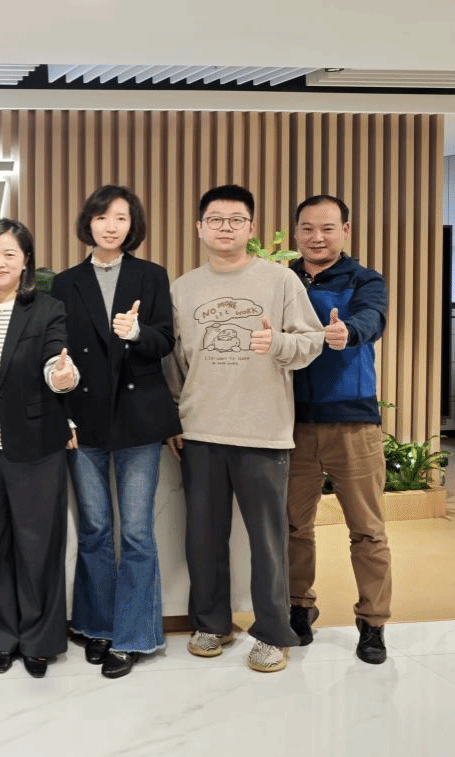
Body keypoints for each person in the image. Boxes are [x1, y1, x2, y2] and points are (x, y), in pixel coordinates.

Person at [166, 184, 323, 673]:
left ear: (251, 228)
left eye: (236, 219)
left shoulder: (280, 281)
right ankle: (211, 623)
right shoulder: (183, 288)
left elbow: (311, 341)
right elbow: (173, 362)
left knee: (268, 540)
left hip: (263, 430)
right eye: (215, 219)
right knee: (203, 538)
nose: (225, 227)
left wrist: (277, 344)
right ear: (200, 228)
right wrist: (176, 415)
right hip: (201, 431)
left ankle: (273, 632)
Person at [51, 186, 179, 679]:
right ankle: (97, 625)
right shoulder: (66, 283)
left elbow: (165, 340)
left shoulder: (151, 275)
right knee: (95, 530)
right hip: (84, 422)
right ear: (88, 222)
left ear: (133, 225)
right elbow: (57, 352)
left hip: (139, 420)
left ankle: (133, 636)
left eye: (121, 218)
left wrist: (137, 333)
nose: (111, 226)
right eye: (102, 217)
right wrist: (63, 412)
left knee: (138, 532)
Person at [0, 218, 74, 679]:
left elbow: (57, 359)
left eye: (9, 253)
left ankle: (39, 641)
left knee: (38, 547)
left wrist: (62, 376)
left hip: (34, 448)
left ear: (26, 260)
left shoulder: (46, 308)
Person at [285, 195, 392, 663]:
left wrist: (349, 331)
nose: (317, 237)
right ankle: (298, 607)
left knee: (367, 530)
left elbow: (373, 318)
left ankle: (373, 622)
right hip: (292, 424)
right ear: (296, 232)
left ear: (345, 230)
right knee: (293, 526)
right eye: (308, 228)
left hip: (352, 424)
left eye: (327, 228)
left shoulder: (365, 280)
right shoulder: (282, 278)